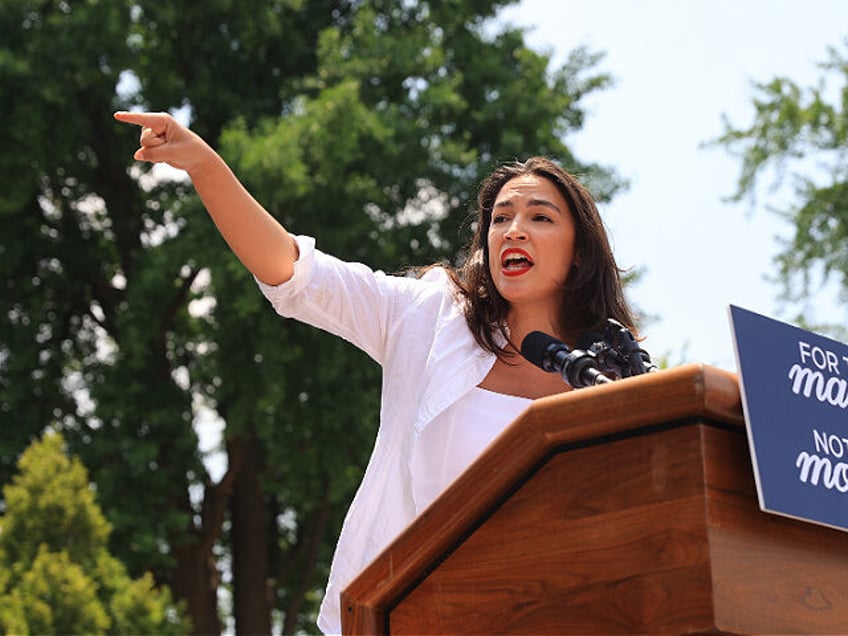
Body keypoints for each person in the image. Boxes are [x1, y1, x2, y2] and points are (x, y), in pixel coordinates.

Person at [114, 110, 639, 634]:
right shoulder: (429, 319)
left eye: (540, 218)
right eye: (500, 219)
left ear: (578, 255)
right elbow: (293, 272)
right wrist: (203, 164)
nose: (513, 231)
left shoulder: (612, 378)